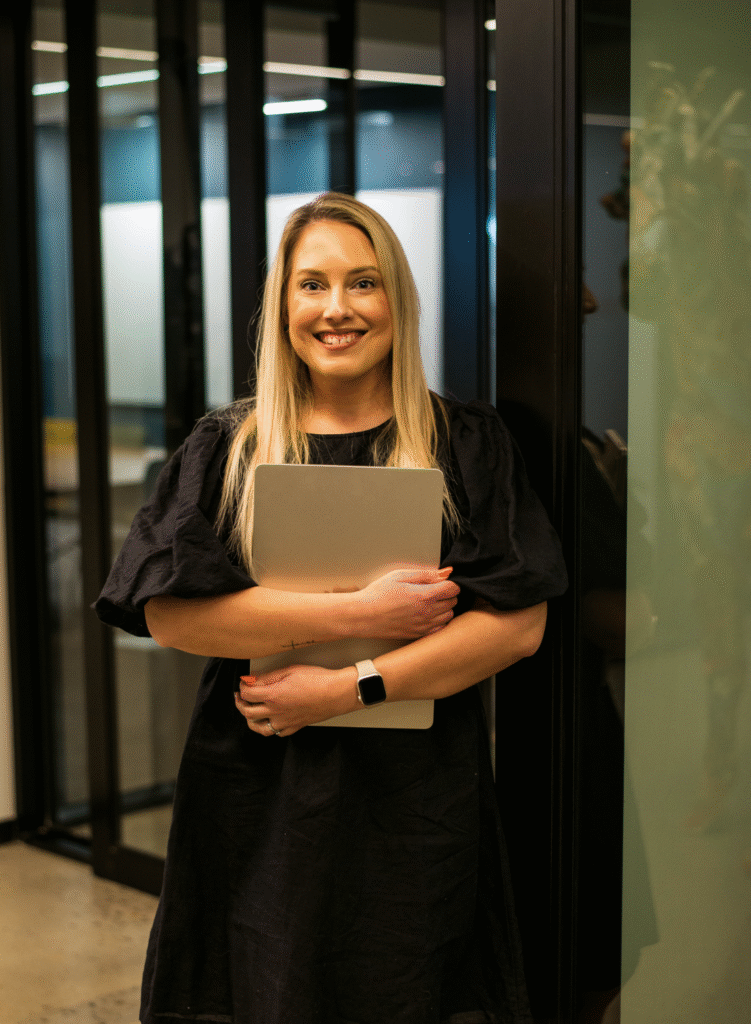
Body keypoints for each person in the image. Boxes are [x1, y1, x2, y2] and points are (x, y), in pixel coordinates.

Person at [95, 192, 568, 1024]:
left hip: (416, 794)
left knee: (410, 985)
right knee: (258, 981)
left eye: (363, 282)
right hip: (256, 782)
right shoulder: (228, 447)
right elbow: (168, 613)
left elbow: (517, 626)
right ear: (283, 306)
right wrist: (361, 612)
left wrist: (348, 688)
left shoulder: (464, 442)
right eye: (311, 284)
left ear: (397, 301)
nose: (336, 309)